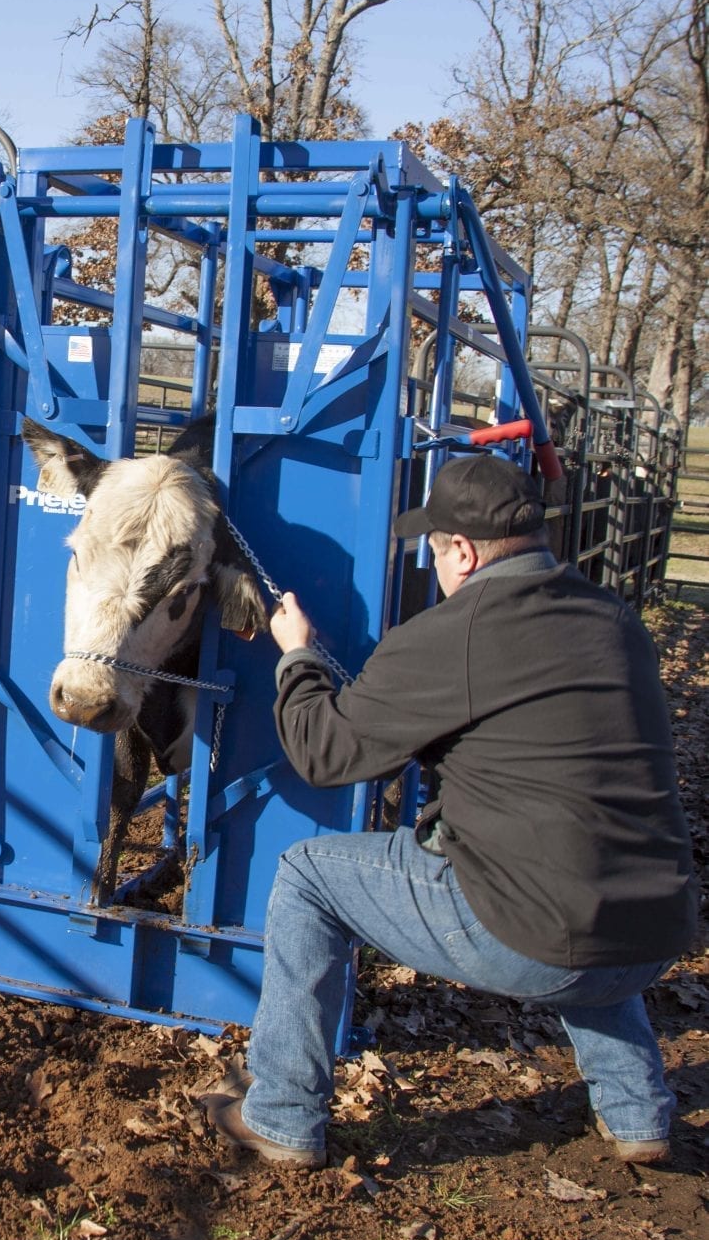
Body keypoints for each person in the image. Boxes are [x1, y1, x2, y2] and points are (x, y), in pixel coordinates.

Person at [206, 451, 697, 1170]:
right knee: (579, 867)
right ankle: (637, 1113)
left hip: (540, 938)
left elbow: (325, 754)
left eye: (433, 552)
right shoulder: (612, 618)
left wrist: (297, 657)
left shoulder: (457, 632)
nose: (433, 568)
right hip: (652, 931)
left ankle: (281, 1111)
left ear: (462, 552)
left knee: (309, 874)